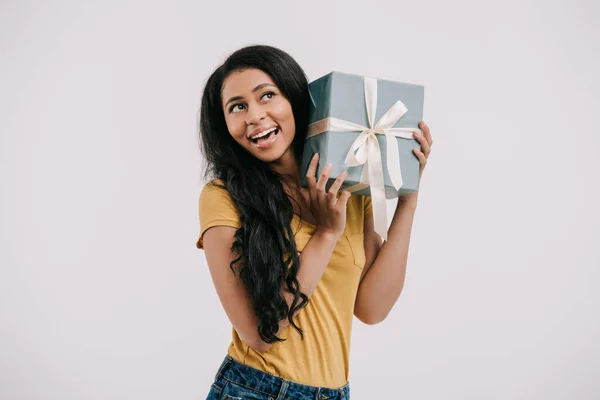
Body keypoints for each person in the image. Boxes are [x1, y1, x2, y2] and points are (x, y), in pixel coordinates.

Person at [196, 44, 433, 400]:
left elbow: (372, 308)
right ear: (226, 125)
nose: (255, 116)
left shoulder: (347, 188)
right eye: (238, 107)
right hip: (254, 389)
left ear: (294, 98)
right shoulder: (222, 197)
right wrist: (326, 233)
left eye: (267, 96)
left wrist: (408, 200)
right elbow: (260, 335)